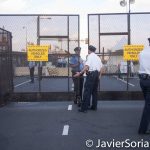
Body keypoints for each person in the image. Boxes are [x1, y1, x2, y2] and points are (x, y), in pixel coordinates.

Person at [74, 45, 103, 112]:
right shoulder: (97, 57)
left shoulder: (90, 56)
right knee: (94, 92)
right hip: (96, 75)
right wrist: (99, 76)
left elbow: (87, 66)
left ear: (89, 50)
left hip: (91, 75)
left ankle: (84, 108)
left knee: (87, 91)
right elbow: (101, 68)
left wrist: (80, 73)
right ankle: (94, 107)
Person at [138, 38, 150, 134]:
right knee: (148, 106)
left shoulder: (142, 52)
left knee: (148, 103)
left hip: (142, 80)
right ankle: (142, 129)